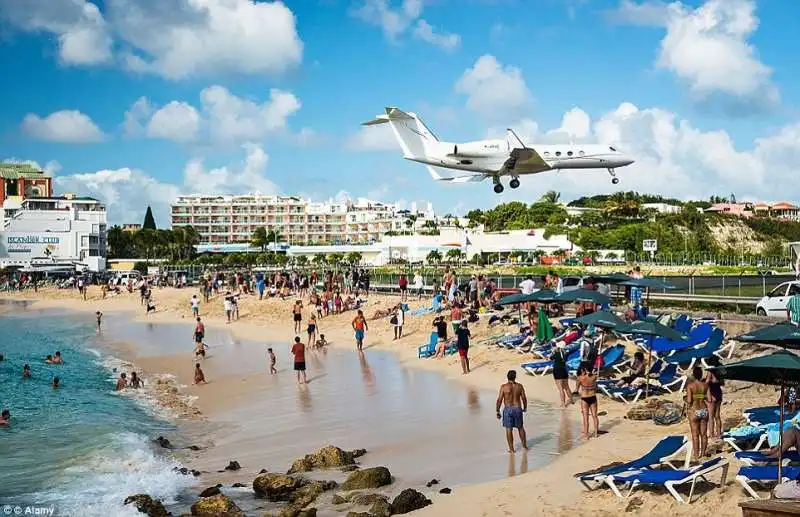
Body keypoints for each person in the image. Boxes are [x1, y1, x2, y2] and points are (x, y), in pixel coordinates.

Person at [496, 370, 528, 453]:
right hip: (517, 408)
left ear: (507, 377)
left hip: (508, 409)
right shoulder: (519, 386)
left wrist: (497, 410)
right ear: (515, 377)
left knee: (508, 429)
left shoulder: (504, 387)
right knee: (520, 427)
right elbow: (524, 398)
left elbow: (499, 399)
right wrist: (525, 407)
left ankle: (511, 449)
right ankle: (524, 446)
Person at [685, 366, 710, 461]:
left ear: (693, 375)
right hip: (704, 410)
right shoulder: (705, 386)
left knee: (695, 435)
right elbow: (709, 399)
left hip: (694, 411)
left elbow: (689, 400)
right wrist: (700, 396)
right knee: (704, 434)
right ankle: (703, 453)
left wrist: (686, 398)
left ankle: (696, 456)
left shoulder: (690, 386)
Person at [577, 365, 600, 439]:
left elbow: (576, 389)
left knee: (585, 417)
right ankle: (596, 434)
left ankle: (586, 435)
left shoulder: (580, 378)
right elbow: (596, 387)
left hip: (584, 398)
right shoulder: (594, 377)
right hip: (593, 397)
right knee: (595, 416)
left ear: (584, 369)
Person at [704, 356, 724, 440]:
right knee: (717, 416)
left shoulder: (710, 371)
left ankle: (712, 435)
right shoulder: (720, 370)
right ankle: (719, 434)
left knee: (711, 417)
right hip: (719, 394)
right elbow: (722, 383)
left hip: (711, 395)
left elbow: (707, 382)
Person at [551, 341, 572, 408]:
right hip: (564, 369)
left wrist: (553, 352)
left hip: (557, 370)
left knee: (560, 388)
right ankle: (571, 400)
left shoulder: (556, 353)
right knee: (566, 387)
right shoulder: (565, 353)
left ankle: (563, 404)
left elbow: (551, 358)